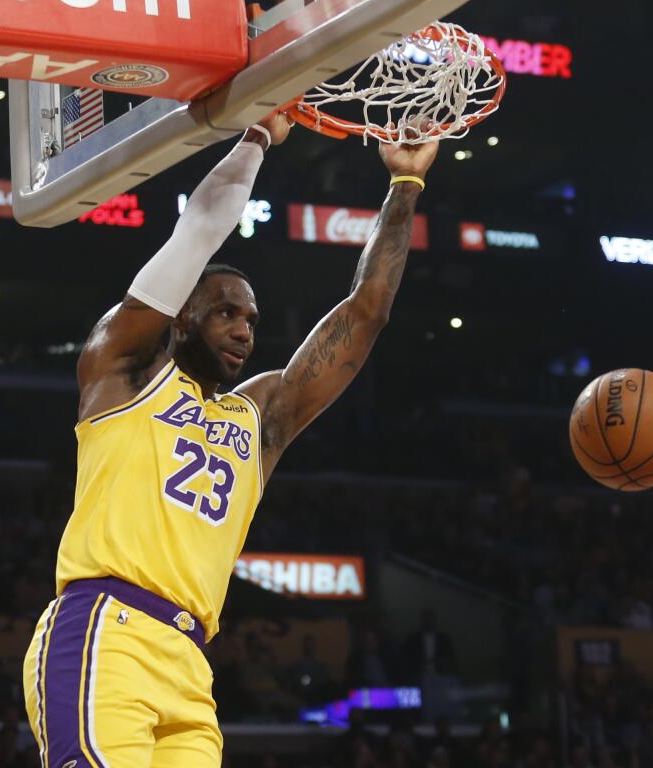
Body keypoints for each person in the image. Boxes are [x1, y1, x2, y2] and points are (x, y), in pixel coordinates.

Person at [22, 110, 439, 768]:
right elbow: (196, 233)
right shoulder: (123, 374)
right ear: (181, 314)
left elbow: (365, 315)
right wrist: (256, 141)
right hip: (107, 630)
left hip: (189, 661)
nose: (244, 329)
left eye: (251, 318)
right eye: (224, 311)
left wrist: (405, 187)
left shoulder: (261, 417)